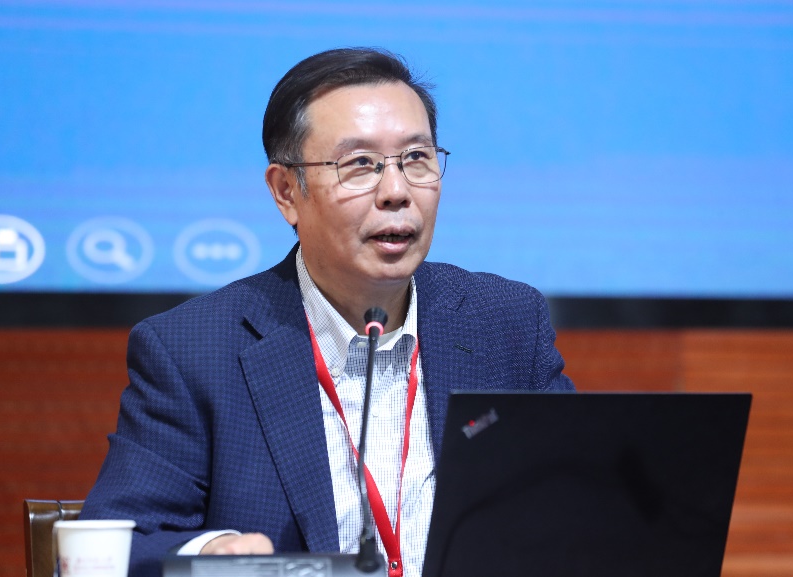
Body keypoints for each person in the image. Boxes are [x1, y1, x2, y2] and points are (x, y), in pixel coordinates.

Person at [80, 47, 574, 577]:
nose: (396, 191)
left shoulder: (505, 324)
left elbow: (583, 499)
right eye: (359, 164)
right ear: (286, 192)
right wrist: (214, 555)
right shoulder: (195, 351)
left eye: (416, 158)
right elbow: (122, 541)